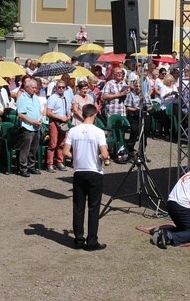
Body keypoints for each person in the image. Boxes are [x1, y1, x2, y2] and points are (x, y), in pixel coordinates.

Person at [63, 103, 109, 251]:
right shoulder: (98, 132)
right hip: (94, 171)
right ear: (94, 115)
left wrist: (75, 158)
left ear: (83, 114)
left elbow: (65, 152)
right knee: (94, 207)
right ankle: (91, 241)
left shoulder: (73, 131)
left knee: (78, 207)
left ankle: (78, 240)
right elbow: (105, 153)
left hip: (79, 170)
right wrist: (103, 158)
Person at [15, 78, 45, 177]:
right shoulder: (22, 98)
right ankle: (23, 168)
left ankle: (31, 166)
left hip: (36, 126)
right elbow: (21, 114)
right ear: (27, 87)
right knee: (25, 149)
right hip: (27, 127)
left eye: (35, 88)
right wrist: (32, 121)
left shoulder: (36, 98)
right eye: (33, 88)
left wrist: (39, 119)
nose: (34, 89)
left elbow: (39, 111)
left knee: (34, 148)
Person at [46, 79, 71, 173]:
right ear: (55, 88)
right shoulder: (52, 98)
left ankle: (59, 162)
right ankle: (50, 164)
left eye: (63, 87)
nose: (61, 89)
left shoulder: (66, 97)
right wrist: (60, 118)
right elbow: (48, 112)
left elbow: (69, 109)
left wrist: (68, 116)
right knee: (53, 143)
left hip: (64, 122)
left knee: (62, 143)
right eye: (59, 87)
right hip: (55, 122)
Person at [124, 78, 152, 154]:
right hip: (135, 116)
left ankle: (142, 153)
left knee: (144, 136)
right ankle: (130, 150)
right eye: (136, 86)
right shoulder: (131, 94)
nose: (138, 88)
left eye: (140, 86)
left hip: (145, 115)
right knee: (134, 134)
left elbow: (151, 106)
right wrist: (136, 109)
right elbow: (127, 107)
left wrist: (146, 108)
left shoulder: (145, 94)